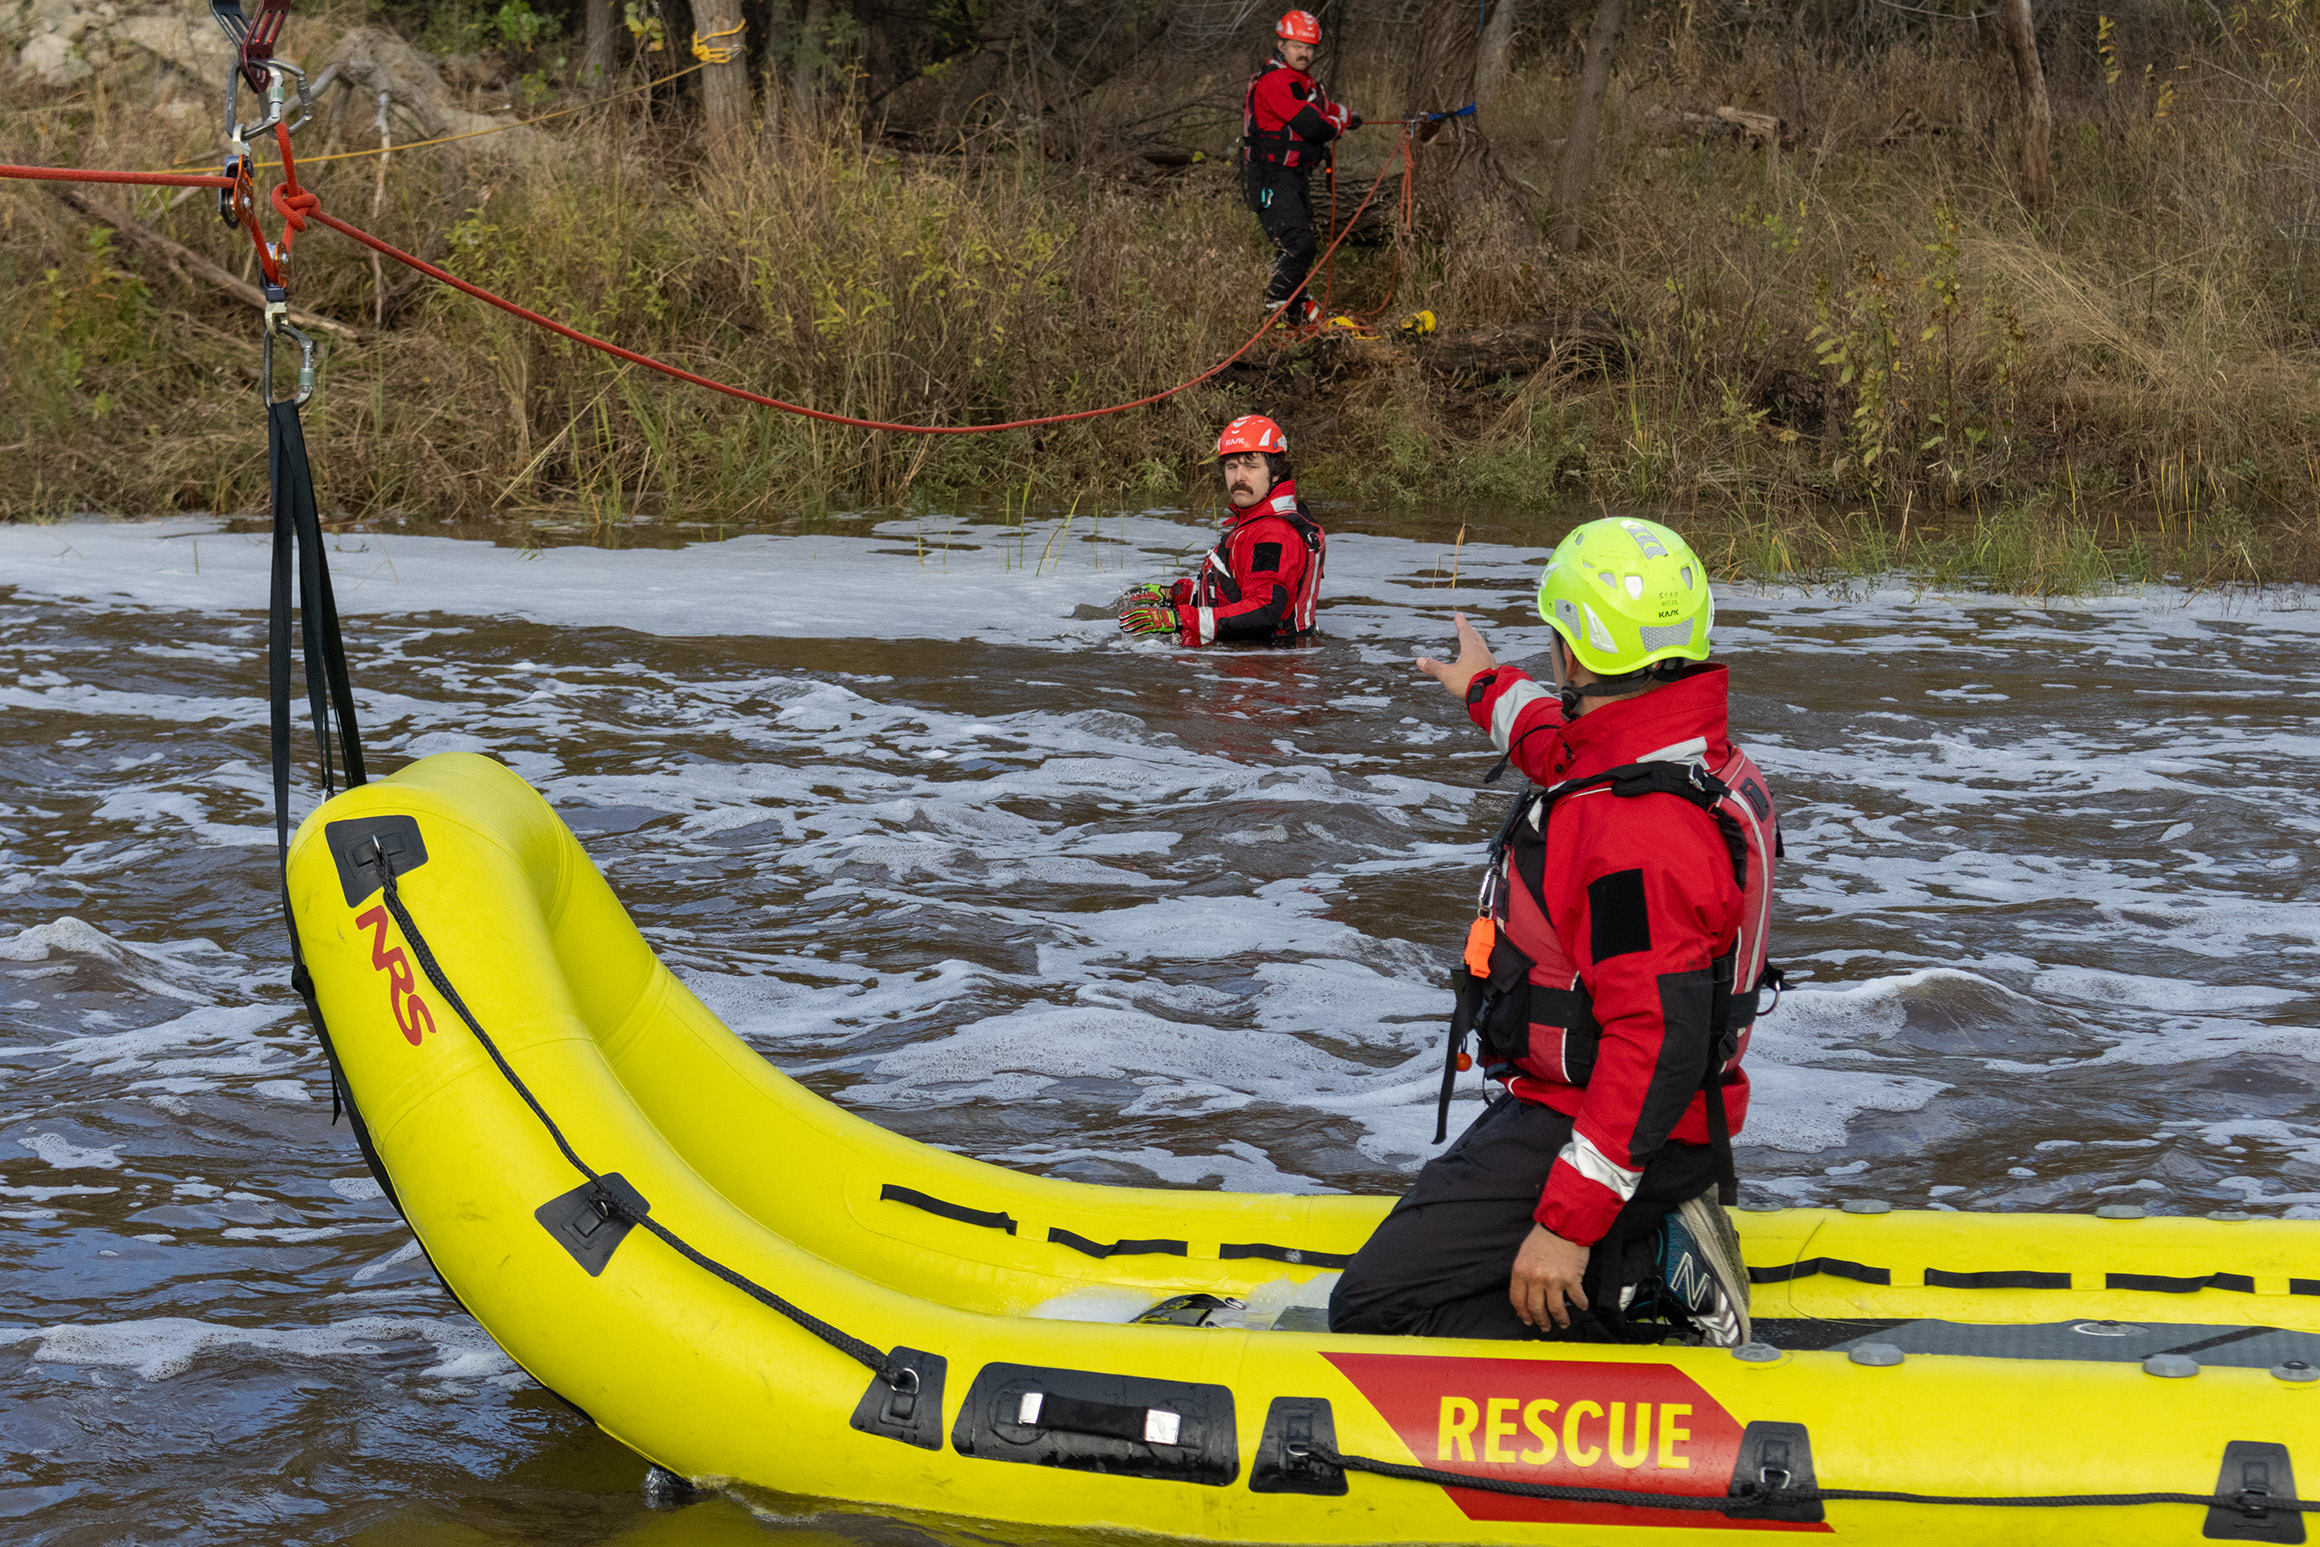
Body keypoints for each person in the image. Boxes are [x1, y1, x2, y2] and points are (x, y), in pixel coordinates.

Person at [1328, 516, 1780, 1347]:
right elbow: (1559, 743)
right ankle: (1633, 1240)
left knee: (1373, 1309)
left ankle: (1648, 1267)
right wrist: (1484, 686)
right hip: (1620, 1112)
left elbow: (1658, 1040)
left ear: (1573, 655)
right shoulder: (1665, 742)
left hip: (1614, 1121)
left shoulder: (1635, 834)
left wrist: (1569, 1223)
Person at [1118, 414, 1326, 647]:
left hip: (1265, 663)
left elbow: (1263, 611)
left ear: (1275, 472)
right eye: (1231, 466)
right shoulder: (1257, 520)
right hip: (1255, 658)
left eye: (1251, 466)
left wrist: (1180, 619)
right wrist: (1180, 595)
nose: (1239, 477)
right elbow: (1237, 592)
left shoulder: (1274, 533)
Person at [1242, 10, 1360, 327]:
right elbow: (1314, 125)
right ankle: (1274, 313)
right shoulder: (1275, 81)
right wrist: (1336, 125)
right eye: (1297, 46)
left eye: (1309, 47)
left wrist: (1348, 116)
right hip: (1270, 175)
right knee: (1298, 243)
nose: (1304, 53)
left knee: (1296, 243)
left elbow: (1322, 107)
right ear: (1281, 45)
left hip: (1293, 175)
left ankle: (1294, 307)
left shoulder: (1300, 80)